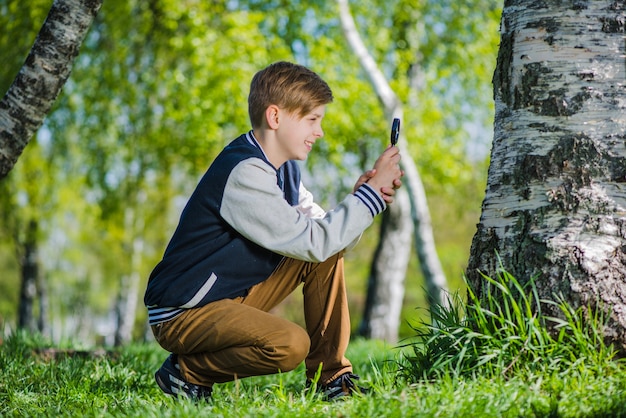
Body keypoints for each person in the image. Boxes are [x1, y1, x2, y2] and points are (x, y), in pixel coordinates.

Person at [144, 61, 403, 401]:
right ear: (275, 117)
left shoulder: (286, 171)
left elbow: (326, 242)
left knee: (325, 253)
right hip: (184, 312)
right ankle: (186, 373)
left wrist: (361, 199)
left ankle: (332, 379)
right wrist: (367, 199)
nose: (320, 131)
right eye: (312, 119)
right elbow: (314, 241)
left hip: (229, 296)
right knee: (290, 346)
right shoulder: (244, 172)